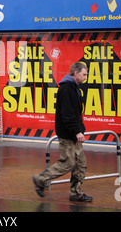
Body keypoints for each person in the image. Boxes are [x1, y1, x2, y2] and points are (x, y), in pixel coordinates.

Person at [32, 62, 92, 202]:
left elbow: (74, 113)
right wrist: (77, 131)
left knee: (80, 164)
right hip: (68, 134)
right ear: (76, 73)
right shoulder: (67, 89)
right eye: (84, 74)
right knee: (68, 163)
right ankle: (40, 179)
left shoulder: (73, 88)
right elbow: (67, 114)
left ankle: (75, 193)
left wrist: (79, 130)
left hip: (73, 134)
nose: (85, 77)